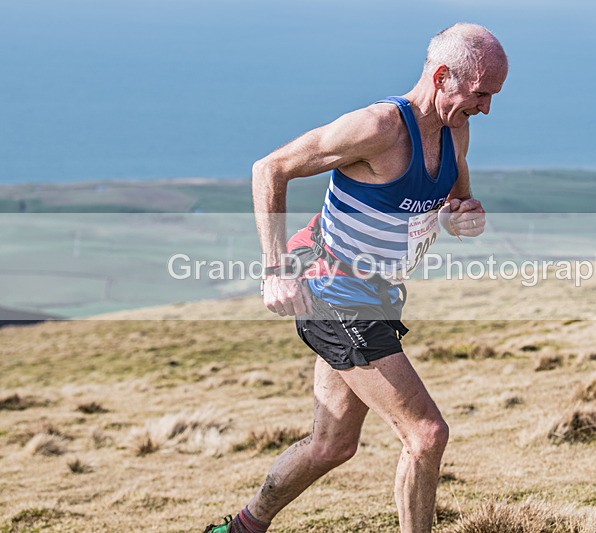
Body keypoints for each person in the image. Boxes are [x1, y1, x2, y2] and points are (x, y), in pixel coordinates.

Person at [204, 22, 507, 533]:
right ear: (441, 77)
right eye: (480, 93)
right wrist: (275, 269)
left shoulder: (456, 131)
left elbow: (452, 205)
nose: (487, 107)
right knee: (427, 435)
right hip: (332, 292)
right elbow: (269, 169)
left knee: (332, 445)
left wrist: (463, 217)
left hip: (378, 297)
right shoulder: (378, 128)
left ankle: (240, 528)